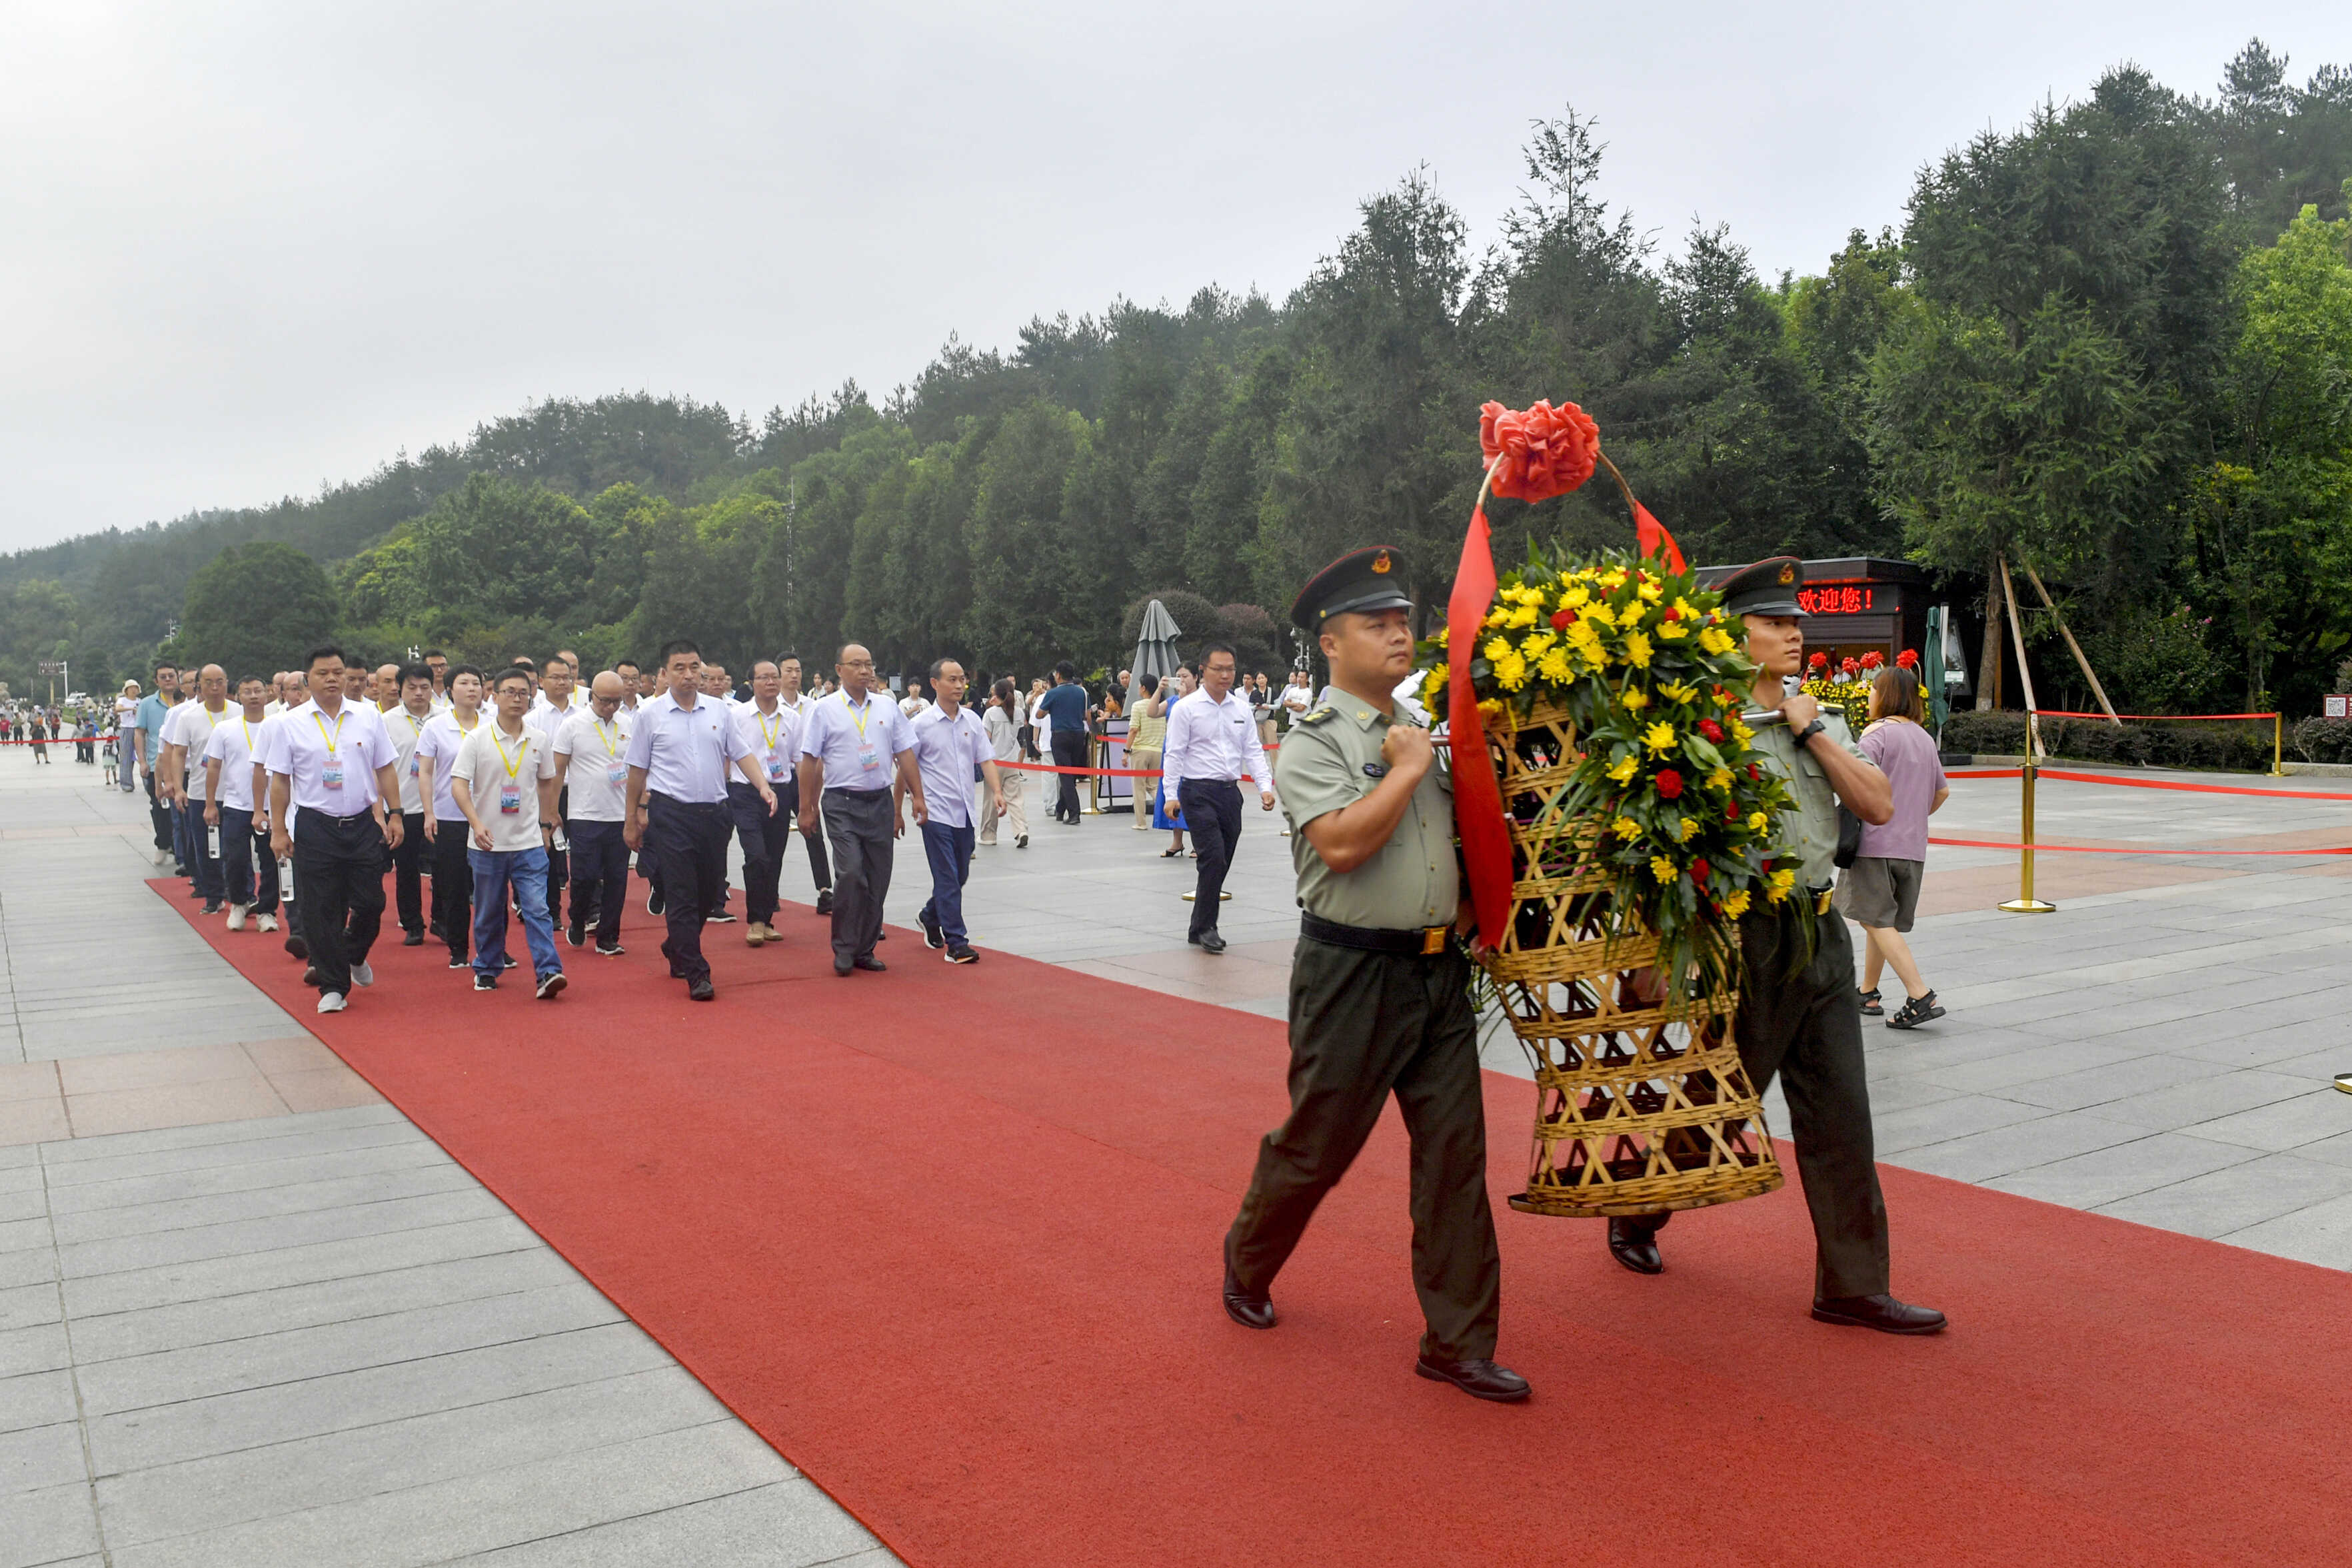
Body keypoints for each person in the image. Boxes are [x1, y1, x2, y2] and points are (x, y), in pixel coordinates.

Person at [1606, 556, 1945, 1337]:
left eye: (1796, 622)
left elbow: (1879, 803)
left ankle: (1853, 1286)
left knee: (1842, 1113)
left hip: (1819, 930)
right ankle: (1639, 1207)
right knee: (1718, 1107)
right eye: (1775, 623)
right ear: (1734, 635)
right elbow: (1661, 844)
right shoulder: (1703, 731)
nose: (1794, 634)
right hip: (1746, 937)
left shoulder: (1816, 718)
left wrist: (1814, 732)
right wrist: (1656, 951)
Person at [1222, 546, 1523, 1403]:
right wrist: (1406, 769)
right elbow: (1344, 846)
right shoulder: (1314, 742)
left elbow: (1456, 845)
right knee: (1318, 1146)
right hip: (1350, 975)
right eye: (1376, 623)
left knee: (1455, 1158)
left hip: (1438, 975)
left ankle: (1456, 1343)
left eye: (1402, 621)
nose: (1399, 634)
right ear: (1330, 642)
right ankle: (1248, 1258)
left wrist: (1473, 909)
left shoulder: (1426, 732)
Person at [624, 639, 773, 1002]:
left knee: (709, 892)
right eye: (680, 668)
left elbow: (741, 753)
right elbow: (637, 771)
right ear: (664, 673)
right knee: (682, 894)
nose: (689, 675)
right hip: (671, 814)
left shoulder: (719, 711)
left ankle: (677, 945)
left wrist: (763, 786)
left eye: (694, 667)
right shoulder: (650, 715)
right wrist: (632, 818)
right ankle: (697, 971)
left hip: (715, 814)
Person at [265, 646, 403, 1015]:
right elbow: (280, 781)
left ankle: (354, 952)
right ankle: (333, 986)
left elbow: (385, 768)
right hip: (315, 824)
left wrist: (396, 814)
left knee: (372, 902)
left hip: (361, 822)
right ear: (306, 679)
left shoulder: (368, 716)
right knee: (321, 909)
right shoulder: (288, 723)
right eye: (323, 673)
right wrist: (278, 830)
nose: (332, 679)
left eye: (338, 672)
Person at [796, 642, 922, 976]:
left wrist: (917, 796)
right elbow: (809, 760)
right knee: (851, 873)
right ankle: (844, 946)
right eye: (857, 664)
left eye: (869, 664)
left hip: (879, 801)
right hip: (842, 803)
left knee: (878, 879)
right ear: (839, 670)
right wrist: (806, 807)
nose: (865, 671)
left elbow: (905, 754)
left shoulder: (887, 706)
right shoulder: (824, 709)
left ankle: (865, 949)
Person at [1839, 664, 1949, 1031]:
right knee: (1881, 919)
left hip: (1875, 844)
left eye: (1873, 689)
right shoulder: (1924, 737)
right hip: (1912, 847)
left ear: (1886, 696)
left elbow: (1855, 779)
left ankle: (1920, 996)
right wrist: (1912, 817)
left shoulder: (1877, 734)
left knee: (1873, 918)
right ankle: (1867, 992)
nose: (1869, 695)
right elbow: (1942, 792)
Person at [449, 666, 567, 997]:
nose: (517, 699)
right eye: (510, 692)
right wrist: (476, 823)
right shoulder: (477, 739)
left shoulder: (539, 739)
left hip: (528, 841)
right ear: (495, 696)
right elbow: (458, 784)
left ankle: (548, 971)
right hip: (488, 843)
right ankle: (487, 967)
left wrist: (546, 823)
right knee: (489, 911)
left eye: (523, 693)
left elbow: (547, 783)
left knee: (537, 908)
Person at [1161, 642, 1274, 954]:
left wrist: (1265, 786)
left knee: (1223, 858)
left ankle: (1198, 925)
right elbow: (1174, 753)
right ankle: (1208, 927)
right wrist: (1170, 795)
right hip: (1196, 792)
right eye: (1218, 669)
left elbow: (1253, 750)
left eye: (1230, 669)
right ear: (1203, 671)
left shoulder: (1240, 709)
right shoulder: (1186, 709)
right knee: (1212, 856)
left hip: (1229, 793)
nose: (1225, 675)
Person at [905, 658, 1001, 964]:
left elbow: (985, 759)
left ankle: (929, 915)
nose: (959, 685)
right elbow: (905, 767)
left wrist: (998, 792)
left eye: (962, 679)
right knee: (947, 877)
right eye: (952, 680)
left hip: (965, 813)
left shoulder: (972, 720)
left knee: (959, 875)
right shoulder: (920, 725)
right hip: (934, 814)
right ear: (935, 683)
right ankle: (957, 943)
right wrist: (905, 804)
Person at [553, 670, 634, 955]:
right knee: (584, 876)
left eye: (617, 701)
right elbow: (557, 770)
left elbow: (639, 769)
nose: (611, 707)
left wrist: (640, 808)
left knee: (617, 879)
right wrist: (551, 810)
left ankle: (608, 936)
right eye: (605, 701)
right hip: (584, 814)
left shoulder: (628, 724)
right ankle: (578, 918)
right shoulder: (573, 726)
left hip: (620, 814)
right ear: (592, 697)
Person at [417, 666, 489, 971]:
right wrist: (429, 812)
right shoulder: (435, 727)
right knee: (456, 886)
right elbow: (425, 772)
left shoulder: (493, 724)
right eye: (464, 683)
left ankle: (493, 948)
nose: (472, 688)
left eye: (476, 683)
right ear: (449, 690)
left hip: (487, 815)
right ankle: (458, 948)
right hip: (449, 816)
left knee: (491, 886)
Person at [731, 659, 803, 946]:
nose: (771, 682)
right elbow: (727, 755)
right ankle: (756, 921)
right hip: (745, 793)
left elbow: (800, 760)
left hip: (781, 791)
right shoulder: (737, 716)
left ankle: (767, 919)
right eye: (764, 677)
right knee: (756, 855)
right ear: (751, 683)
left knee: (774, 857)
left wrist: (807, 801)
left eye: (775, 677)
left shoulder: (792, 718)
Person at [202, 676, 280, 932]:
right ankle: (239, 902)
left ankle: (267, 911)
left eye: (258, 691)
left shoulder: (278, 726)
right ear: (238, 697)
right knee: (235, 858)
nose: (254, 696)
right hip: (236, 804)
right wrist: (210, 804)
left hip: (272, 805)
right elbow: (213, 767)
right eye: (247, 692)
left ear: (267, 694)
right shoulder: (225, 729)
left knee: (271, 859)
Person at [161, 665, 232, 911]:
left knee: (235, 849)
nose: (215, 687)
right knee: (205, 848)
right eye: (208, 682)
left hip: (235, 793)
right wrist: (178, 787)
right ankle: (213, 896)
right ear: (198, 685)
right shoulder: (187, 717)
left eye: (220, 681)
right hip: (201, 792)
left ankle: (238, 894)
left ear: (227, 682)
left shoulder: (239, 712)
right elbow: (178, 753)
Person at [527, 656, 585, 932]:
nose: (563, 682)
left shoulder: (584, 714)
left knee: (585, 852)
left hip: (581, 791)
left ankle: (588, 909)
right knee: (547, 853)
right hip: (547, 790)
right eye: (556, 677)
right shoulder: (532, 719)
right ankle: (551, 910)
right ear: (541, 681)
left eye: (567, 677)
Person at [778, 654, 832, 913]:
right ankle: (769, 892)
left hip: (807, 776)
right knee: (775, 838)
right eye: (788, 670)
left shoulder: (812, 707)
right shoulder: (770, 705)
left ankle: (825, 890)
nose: (794, 675)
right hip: (780, 778)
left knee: (814, 832)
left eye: (798, 670)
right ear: (778, 674)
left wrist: (814, 796)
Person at [134, 665, 181, 868]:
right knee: (160, 807)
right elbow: (139, 733)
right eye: (163, 677)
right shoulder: (147, 704)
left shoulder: (187, 702)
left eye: (171, 676)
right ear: (156, 681)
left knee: (182, 809)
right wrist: (142, 761)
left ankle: (180, 849)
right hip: (157, 765)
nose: (168, 679)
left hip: (182, 765)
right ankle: (163, 844)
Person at [978, 676, 1028, 850]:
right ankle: (1021, 830)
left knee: (991, 799)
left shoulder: (991, 713)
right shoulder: (1019, 712)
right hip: (1012, 761)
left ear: (996, 694)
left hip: (994, 763)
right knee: (1015, 799)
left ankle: (988, 835)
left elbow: (986, 739)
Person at [1036, 662, 1090, 824]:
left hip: (1060, 735)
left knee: (1065, 774)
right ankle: (1060, 809)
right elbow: (1087, 714)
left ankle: (1074, 813)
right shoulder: (1082, 692)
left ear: (1058, 675)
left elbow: (1039, 714)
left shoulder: (1053, 693)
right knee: (1071, 773)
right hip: (1078, 734)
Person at [1152, 667, 1194, 856]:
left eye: (1185, 676)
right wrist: (1159, 689)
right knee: (1173, 794)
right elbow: (1152, 712)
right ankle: (1177, 841)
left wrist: (1184, 698)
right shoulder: (1172, 701)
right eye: (1179, 677)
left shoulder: (1198, 701)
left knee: (1192, 796)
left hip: (1191, 754)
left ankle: (1198, 842)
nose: (1181, 680)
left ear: (1196, 677)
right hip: (1171, 751)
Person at [1124, 673, 1167, 834]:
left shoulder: (1138, 706)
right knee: (1154, 786)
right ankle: (1169, 812)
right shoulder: (1162, 706)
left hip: (1140, 750)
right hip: (1158, 750)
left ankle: (1141, 822)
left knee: (1139, 788)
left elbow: (1133, 729)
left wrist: (1126, 751)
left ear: (1143, 688)